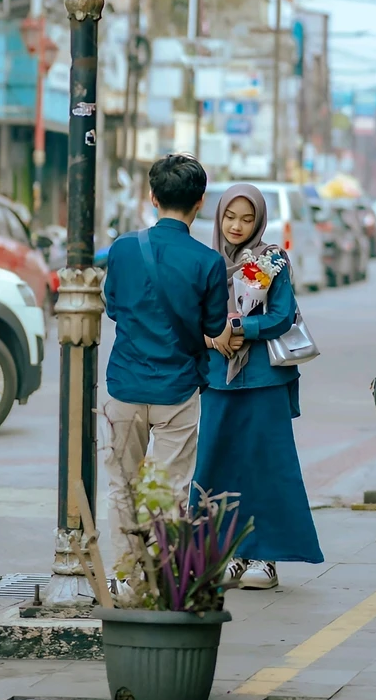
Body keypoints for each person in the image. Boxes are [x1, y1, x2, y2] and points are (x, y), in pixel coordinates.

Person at [190, 184, 323, 591]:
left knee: (268, 468)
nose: (237, 226)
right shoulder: (206, 260)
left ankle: (265, 558)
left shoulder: (272, 259)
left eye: (247, 219)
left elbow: (282, 315)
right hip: (217, 378)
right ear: (218, 217)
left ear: (259, 221)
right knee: (216, 466)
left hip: (265, 378)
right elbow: (191, 315)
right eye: (230, 217)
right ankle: (224, 555)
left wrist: (241, 327)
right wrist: (213, 334)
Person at [103, 154, 229, 568]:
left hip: (125, 383)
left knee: (122, 484)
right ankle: (161, 578)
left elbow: (114, 306)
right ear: (200, 203)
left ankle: (124, 573)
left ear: (152, 197)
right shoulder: (208, 262)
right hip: (177, 388)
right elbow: (213, 325)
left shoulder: (122, 249)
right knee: (171, 489)